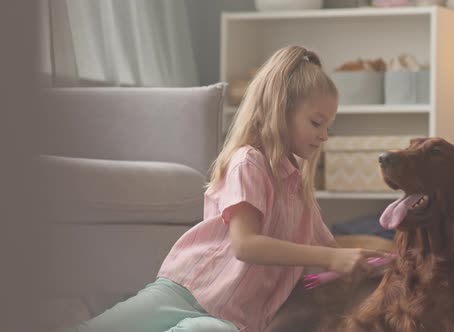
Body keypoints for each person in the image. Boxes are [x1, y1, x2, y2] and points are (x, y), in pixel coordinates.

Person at [68, 45, 385, 332]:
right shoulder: (249, 163)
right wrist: (332, 260)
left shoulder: (298, 188)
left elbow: (329, 250)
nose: (325, 135)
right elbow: (245, 244)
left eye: (329, 126)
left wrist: (377, 262)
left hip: (231, 321)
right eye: (316, 123)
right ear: (280, 110)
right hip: (185, 290)